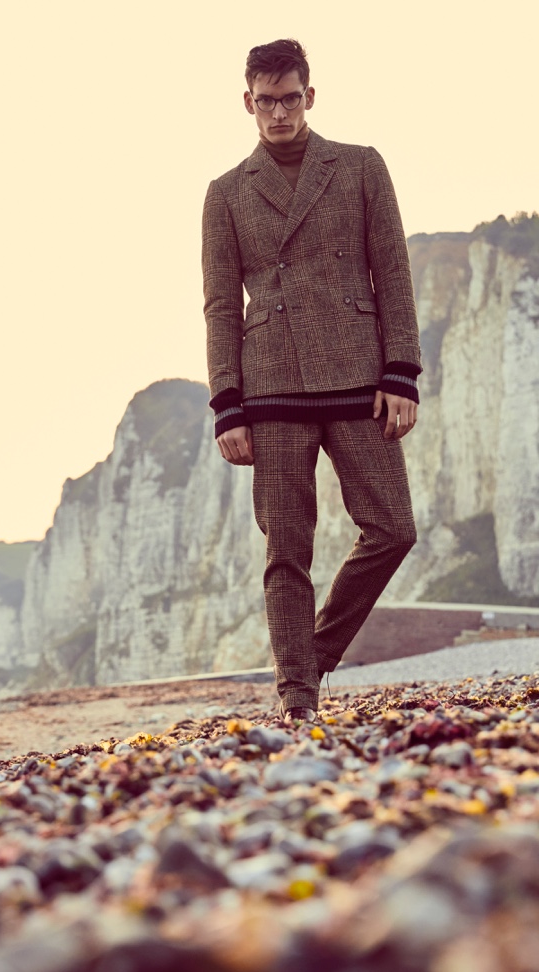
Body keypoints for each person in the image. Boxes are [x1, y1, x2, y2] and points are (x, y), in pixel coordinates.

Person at [202, 38, 421, 723]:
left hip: (360, 377)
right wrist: (226, 405)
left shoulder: (359, 167)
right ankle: (298, 695)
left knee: (393, 528)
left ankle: (314, 654)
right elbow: (218, 305)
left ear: (310, 95)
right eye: (264, 101)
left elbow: (393, 271)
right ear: (247, 103)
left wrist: (402, 373)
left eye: (289, 98)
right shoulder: (226, 194)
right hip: (270, 389)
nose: (278, 113)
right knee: (286, 548)